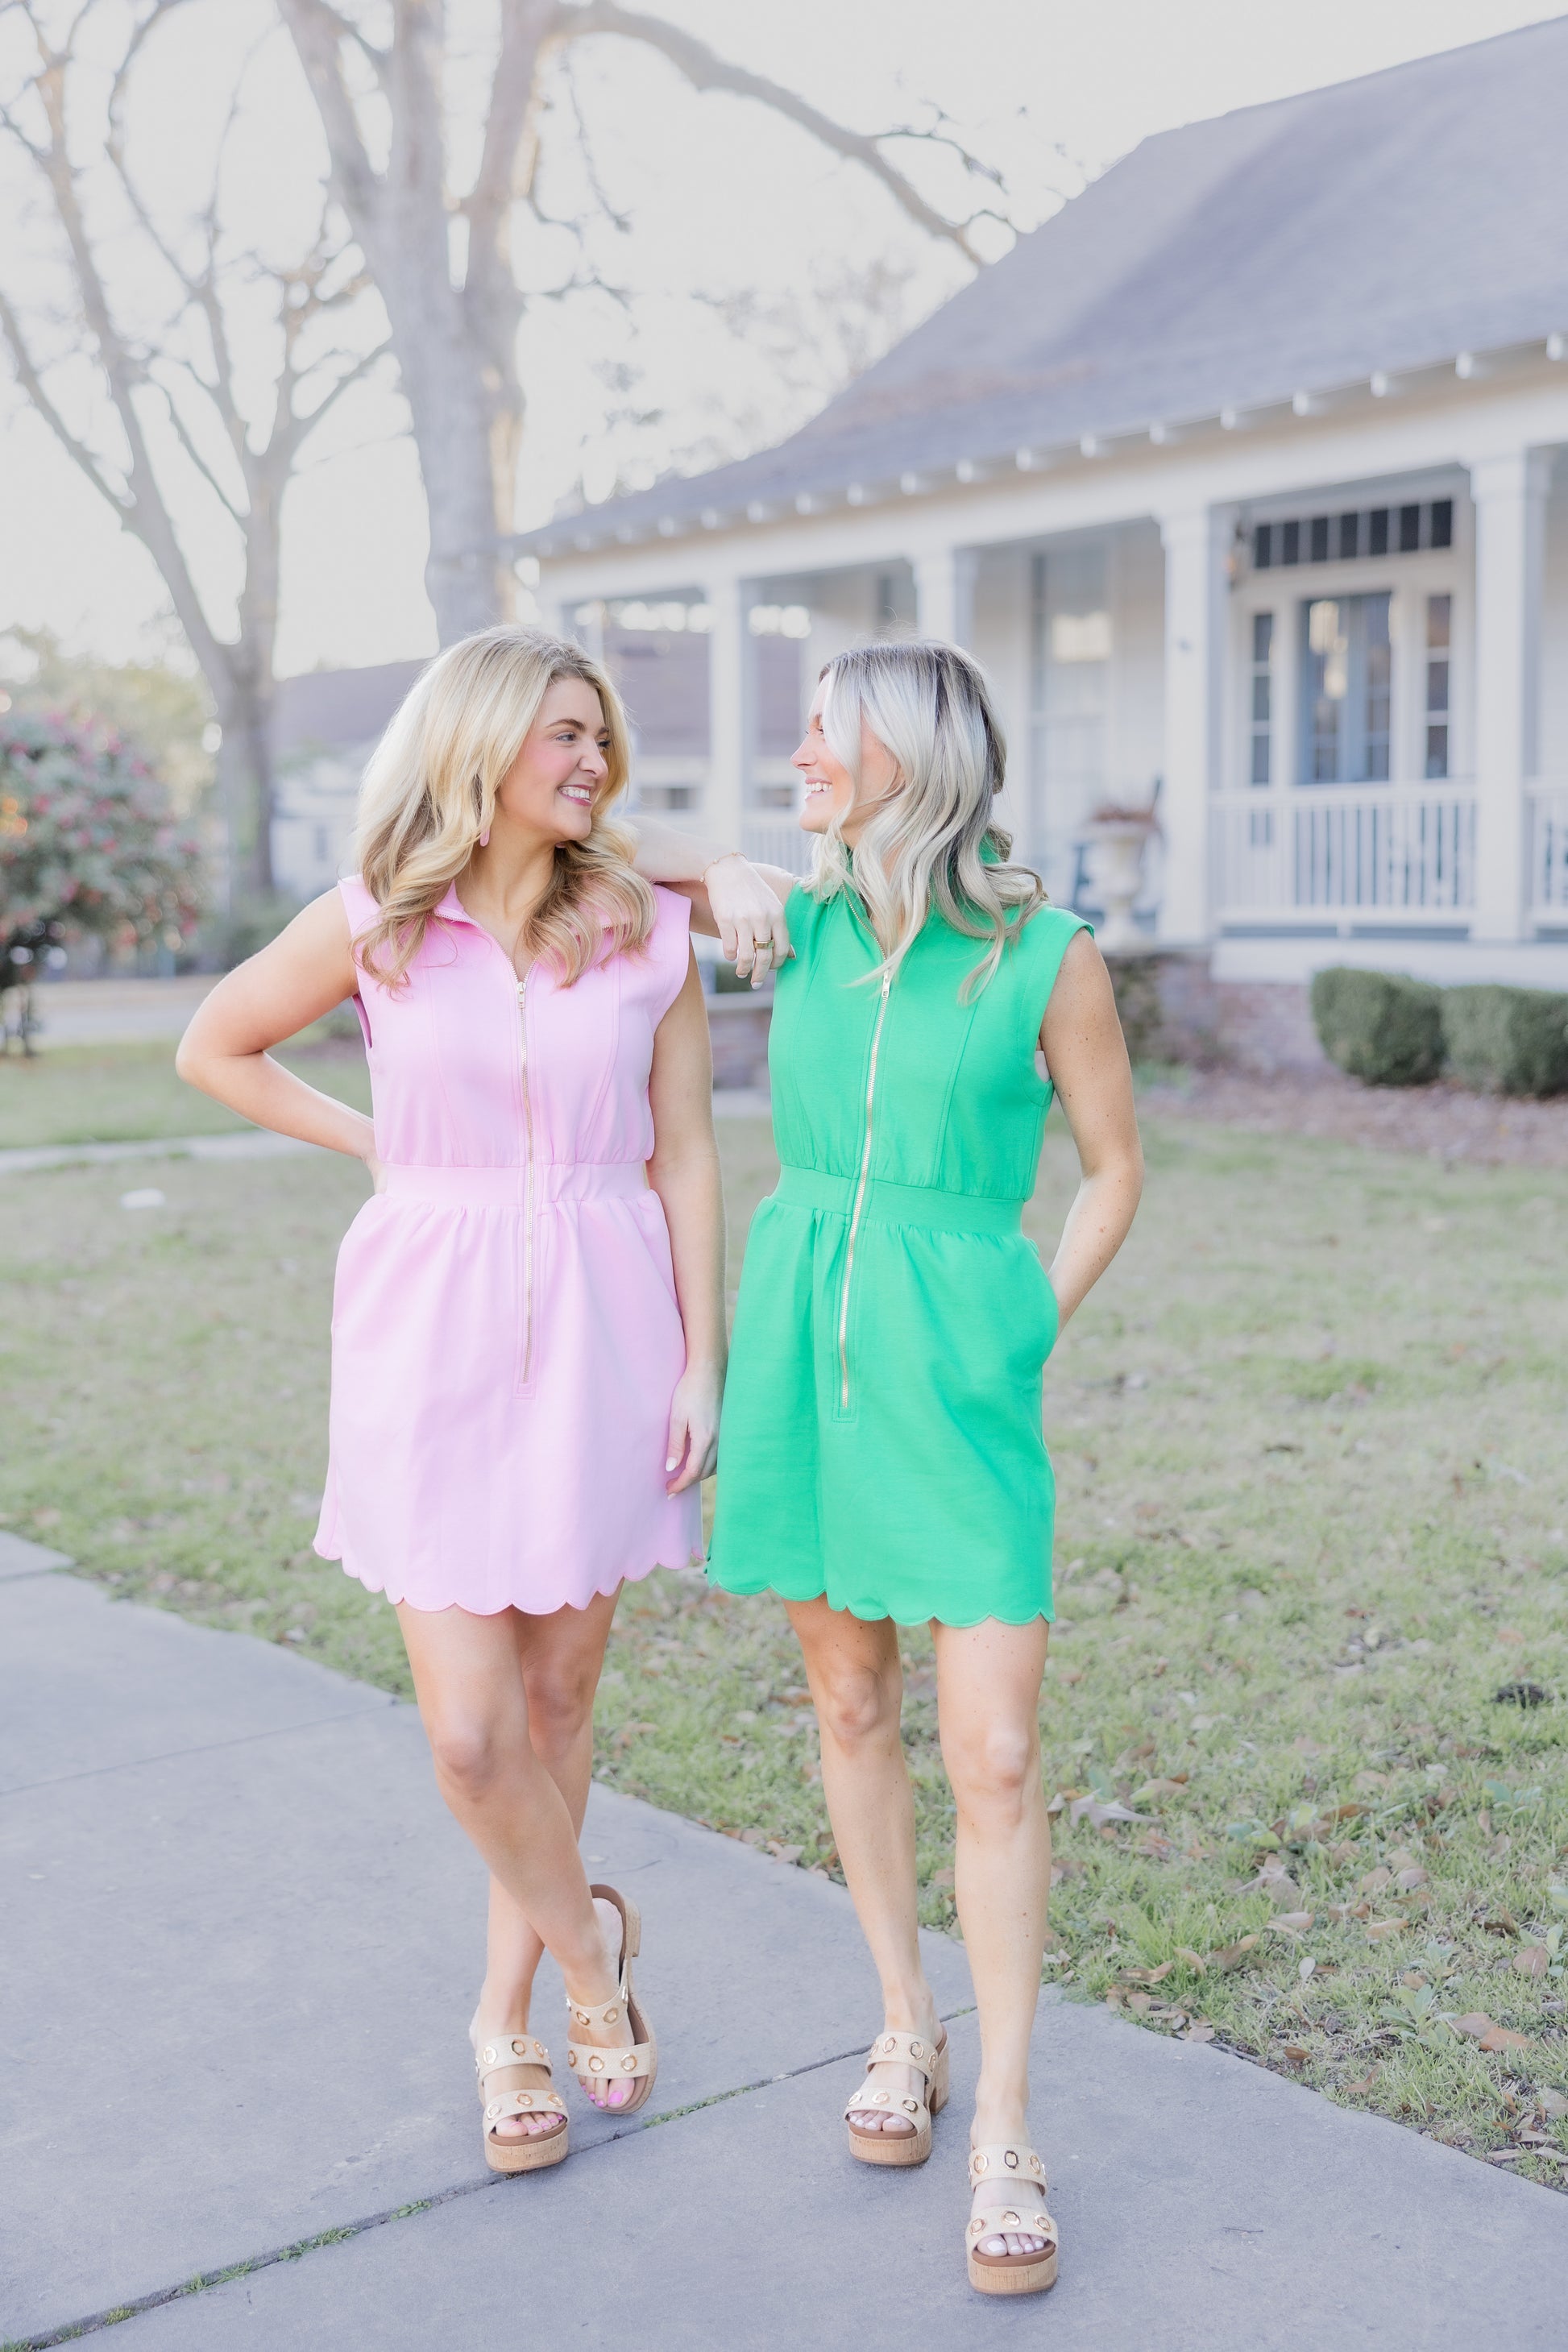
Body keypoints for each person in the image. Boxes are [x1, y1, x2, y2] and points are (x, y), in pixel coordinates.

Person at [176, 624, 777, 2175]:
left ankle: (508, 2019)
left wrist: (702, 1358)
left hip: (607, 1319)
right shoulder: (375, 920)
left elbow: (687, 1155)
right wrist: (377, 1145)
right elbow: (215, 1047)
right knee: (466, 1733)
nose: (593, 759)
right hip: (423, 1327)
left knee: (559, 1704)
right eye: (563, 734)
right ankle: (595, 1956)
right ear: (483, 743)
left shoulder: (644, 928)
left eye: (601, 737)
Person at [707, 639, 1143, 2295]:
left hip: (958, 1379)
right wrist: (723, 868)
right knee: (845, 1703)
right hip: (802, 1354)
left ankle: (1008, 2118)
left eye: (826, 730)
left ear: (911, 750)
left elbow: (1112, 1167)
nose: (802, 757)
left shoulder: (1046, 953)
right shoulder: (799, 924)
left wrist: (1030, 1316)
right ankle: (904, 2021)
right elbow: (591, 860)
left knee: (999, 1750)